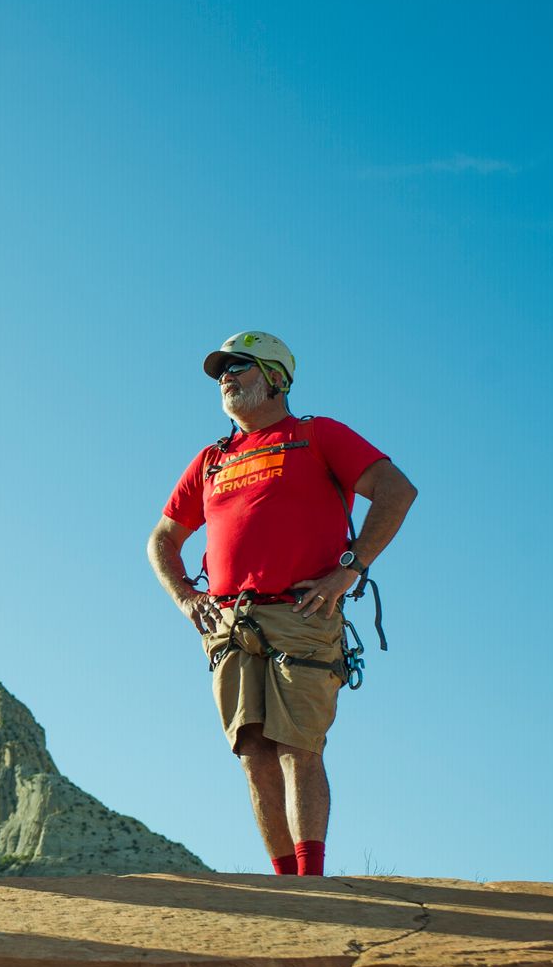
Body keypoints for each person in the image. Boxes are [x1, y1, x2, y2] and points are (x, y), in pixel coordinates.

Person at [146, 331, 416, 877]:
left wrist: (350, 570)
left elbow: (396, 490)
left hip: (301, 616)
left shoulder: (317, 435)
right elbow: (161, 539)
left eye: (239, 366)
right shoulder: (211, 459)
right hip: (229, 623)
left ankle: (310, 883)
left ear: (276, 377)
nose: (225, 377)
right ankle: (284, 885)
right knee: (253, 752)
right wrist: (185, 598)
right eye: (222, 369)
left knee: (297, 746)